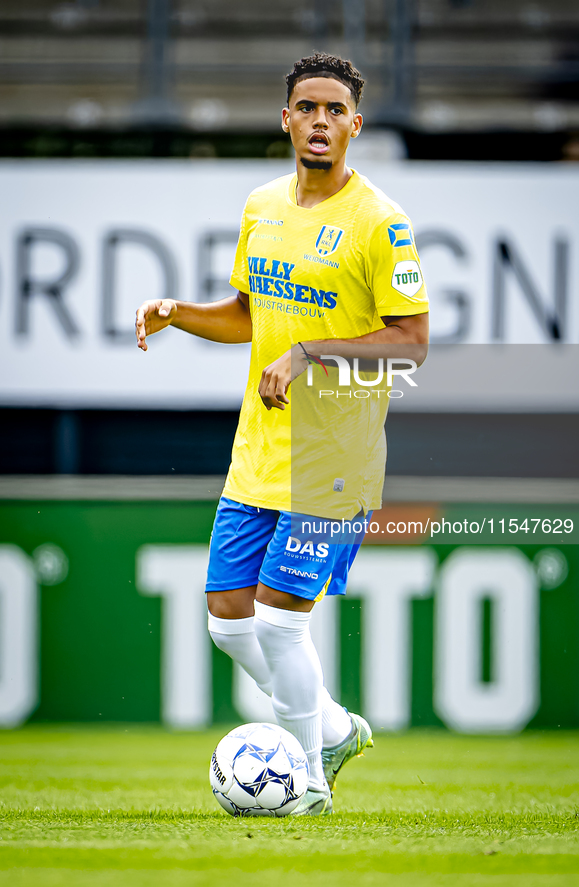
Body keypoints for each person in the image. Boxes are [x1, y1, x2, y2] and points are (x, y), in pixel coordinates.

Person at [135, 52, 429, 816]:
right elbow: (246, 314)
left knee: (276, 619)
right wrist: (179, 313)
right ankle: (330, 726)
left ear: (354, 125)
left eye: (336, 110)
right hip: (258, 451)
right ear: (287, 118)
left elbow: (410, 341)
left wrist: (309, 351)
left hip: (335, 456)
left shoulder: (378, 222)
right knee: (228, 623)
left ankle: (308, 779)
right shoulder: (262, 204)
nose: (321, 121)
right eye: (308, 107)